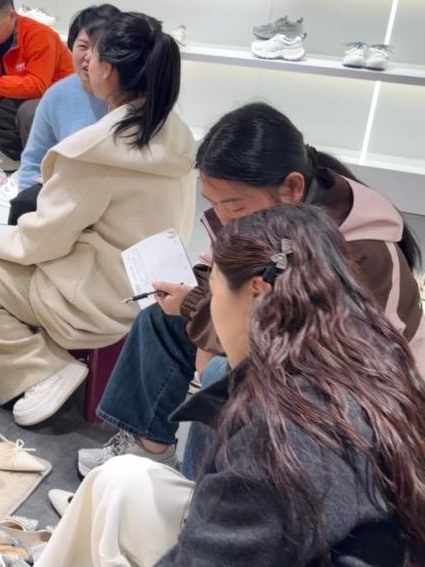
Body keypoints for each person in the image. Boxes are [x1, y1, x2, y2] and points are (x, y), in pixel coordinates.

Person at [36, 204, 425, 567]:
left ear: (259, 291)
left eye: (214, 291)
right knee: (121, 478)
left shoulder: (283, 433)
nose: (211, 307)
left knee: (121, 487)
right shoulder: (375, 358)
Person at [80, 102, 424, 477]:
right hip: (278, 339)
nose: (223, 217)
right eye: (212, 203)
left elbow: (316, 358)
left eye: (233, 205)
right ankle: (148, 451)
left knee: (225, 376)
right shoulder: (267, 215)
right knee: (161, 321)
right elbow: (225, 276)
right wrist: (196, 299)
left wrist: (199, 314)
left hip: (359, 393)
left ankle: (202, 494)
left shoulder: (358, 252)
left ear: (292, 187)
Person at [0, 12, 196, 426]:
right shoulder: (172, 133)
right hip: (150, 284)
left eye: (94, 53)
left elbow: (43, 238)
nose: (86, 60)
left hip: (98, 296)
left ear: (109, 69)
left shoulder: (97, 151)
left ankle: (42, 368)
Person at [6, 4, 118, 224]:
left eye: (99, 48)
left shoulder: (123, 96)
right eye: (82, 46)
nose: (88, 57)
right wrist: (29, 199)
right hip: (64, 194)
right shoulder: (57, 95)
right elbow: (34, 158)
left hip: (111, 197)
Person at [0, 0, 74, 168]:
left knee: (28, 111)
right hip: (20, 96)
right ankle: (22, 156)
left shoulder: (40, 36)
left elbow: (38, 86)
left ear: (12, 16)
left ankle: (41, 166)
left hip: (59, 99)